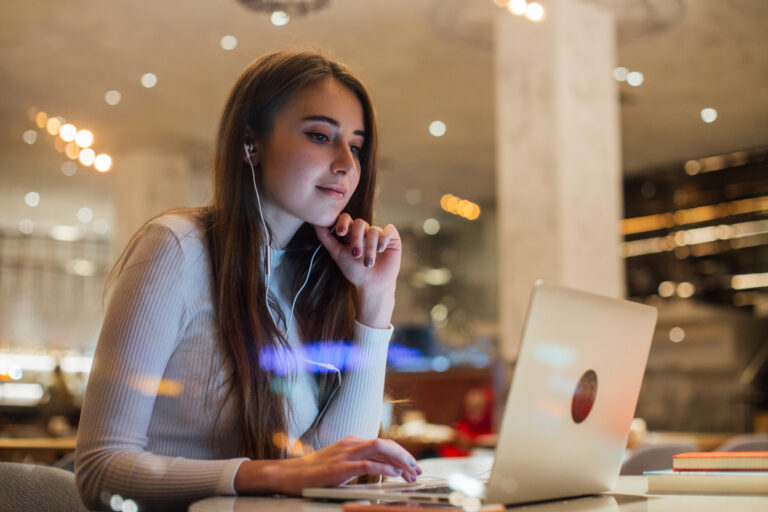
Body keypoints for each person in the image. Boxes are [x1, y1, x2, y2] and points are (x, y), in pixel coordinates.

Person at [75, 49, 421, 511]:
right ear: (250, 143)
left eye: (356, 147)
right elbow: (99, 469)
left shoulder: (311, 279)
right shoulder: (176, 248)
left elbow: (334, 467)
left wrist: (376, 302)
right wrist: (271, 474)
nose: (346, 164)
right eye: (320, 136)